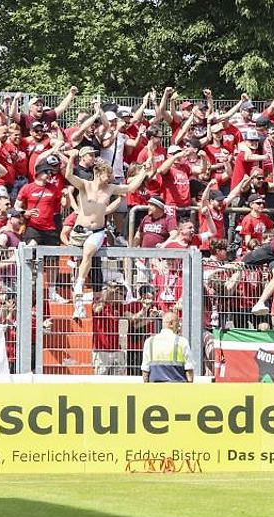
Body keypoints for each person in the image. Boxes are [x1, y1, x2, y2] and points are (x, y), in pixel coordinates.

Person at [62, 145, 152, 319]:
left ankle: (80, 285)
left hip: (97, 230)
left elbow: (130, 188)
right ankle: (78, 307)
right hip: (79, 231)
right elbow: (68, 176)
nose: (110, 178)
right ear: (98, 173)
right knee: (79, 265)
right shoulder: (85, 185)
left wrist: (143, 172)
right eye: (107, 174)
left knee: (88, 253)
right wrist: (71, 159)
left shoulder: (110, 188)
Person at [141, 311, 195, 383]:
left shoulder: (149, 342)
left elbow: (145, 371)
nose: (179, 327)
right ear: (171, 324)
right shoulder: (182, 342)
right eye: (177, 323)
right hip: (177, 389)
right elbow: (189, 370)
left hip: (155, 389)